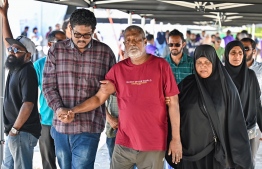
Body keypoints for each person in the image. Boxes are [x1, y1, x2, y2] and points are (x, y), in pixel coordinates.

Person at [66, 25, 182, 169]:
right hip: (124, 142)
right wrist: (74, 110)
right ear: (124, 44)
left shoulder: (161, 66)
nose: (132, 43)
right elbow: (98, 99)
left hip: (153, 143)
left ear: (145, 41)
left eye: (136, 39)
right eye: (128, 40)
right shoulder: (118, 70)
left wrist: (176, 139)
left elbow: (174, 104)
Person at [42, 8, 116, 169]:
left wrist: (113, 88)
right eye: (77, 34)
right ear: (70, 29)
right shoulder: (56, 50)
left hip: (88, 125)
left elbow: (111, 90)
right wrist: (59, 108)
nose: (82, 39)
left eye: (87, 35)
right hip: (60, 125)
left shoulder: (106, 53)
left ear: (93, 31)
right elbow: (48, 85)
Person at [166, 45, 253, 169]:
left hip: (215, 154)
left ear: (214, 62)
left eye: (207, 62)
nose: (203, 66)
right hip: (189, 154)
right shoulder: (186, 85)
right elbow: (172, 111)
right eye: (199, 62)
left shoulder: (227, 89)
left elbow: (236, 124)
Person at [0, 0, 41, 168]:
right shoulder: (16, 66)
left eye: (17, 50)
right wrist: (4, 15)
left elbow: (28, 104)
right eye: (11, 49)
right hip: (14, 132)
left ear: (28, 55)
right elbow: (7, 41)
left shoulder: (27, 71)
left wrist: (15, 130)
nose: (11, 51)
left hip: (21, 132)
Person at [224, 41, 262, 166]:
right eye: (233, 53)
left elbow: (256, 104)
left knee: (247, 164)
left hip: (248, 131)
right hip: (225, 131)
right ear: (227, 55)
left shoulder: (250, 75)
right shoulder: (221, 76)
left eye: (240, 53)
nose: (237, 56)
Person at [33, 30, 66, 169]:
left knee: (66, 160)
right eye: (60, 43)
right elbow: (30, 93)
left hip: (66, 121)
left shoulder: (70, 65)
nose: (64, 46)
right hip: (46, 120)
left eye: (66, 43)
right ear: (49, 44)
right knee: (48, 162)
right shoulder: (39, 65)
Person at [240, 38, 262, 165]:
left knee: (251, 159)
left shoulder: (260, 70)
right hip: (234, 121)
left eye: (246, 48)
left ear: (254, 51)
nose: (242, 52)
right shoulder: (230, 69)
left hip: (255, 123)